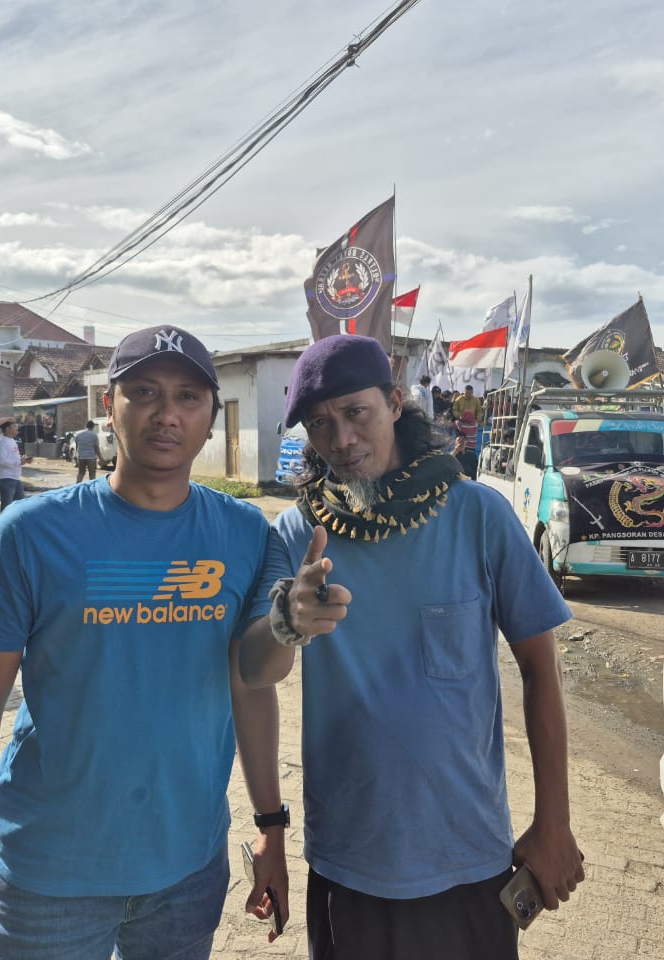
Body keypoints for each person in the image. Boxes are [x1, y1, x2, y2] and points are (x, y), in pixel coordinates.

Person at [0, 325, 289, 960]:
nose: (166, 414)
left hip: (188, 867)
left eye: (188, 397)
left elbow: (250, 688)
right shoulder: (30, 533)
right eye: (144, 392)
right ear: (108, 407)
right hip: (49, 873)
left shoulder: (246, 533)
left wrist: (271, 829)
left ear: (210, 418)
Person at [239, 334, 583, 960]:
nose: (341, 438)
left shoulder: (478, 516)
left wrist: (553, 821)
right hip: (349, 863)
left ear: (395, 403)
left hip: (469, 857)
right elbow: (253, 669)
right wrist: (286, 621)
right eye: (320, 423)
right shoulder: (298, 534)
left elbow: (540, 668)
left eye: (356, 412)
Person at [0, 420, 31, 511]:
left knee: (20, 503)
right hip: (5, 478)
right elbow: (1, 461)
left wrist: (23, 459)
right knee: (7, 506)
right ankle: (4, 520)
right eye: (14, 426)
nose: (17, 428)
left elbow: (12, 457)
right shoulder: (2, 442)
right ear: (7, 429)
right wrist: (18, 462)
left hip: (14, 477)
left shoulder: (12, 440)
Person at [452, 407, 480, 480]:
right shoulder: (475, 424)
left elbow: (453, 424)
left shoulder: (460, 424)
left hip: (463, 450)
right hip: (472, 449)